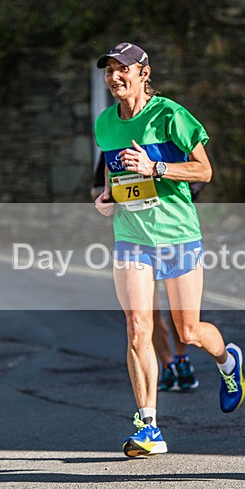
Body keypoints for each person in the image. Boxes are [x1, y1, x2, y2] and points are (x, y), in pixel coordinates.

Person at [93, 42, 245, 457]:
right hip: (131, 237)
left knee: (188, 332)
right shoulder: (105, 123)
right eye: (108, 71)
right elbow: (115, 175)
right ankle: (148, 426)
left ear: (144, 72)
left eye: (122, 69)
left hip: (178, 235)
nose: (114, 77)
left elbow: (205, 171)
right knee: (138, 327)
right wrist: (107, 199)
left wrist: (156, 167)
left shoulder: (171, 115)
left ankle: (227, 361)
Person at [92, 154, 200, 393]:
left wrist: (164, 175)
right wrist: (106, 200)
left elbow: (198, 174)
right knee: (147, 313)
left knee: (179, 311)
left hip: (173, 233)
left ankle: (182, 359)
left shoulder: (166, 135)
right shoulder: (112, 142)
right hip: (136, 237)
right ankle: (167, 364)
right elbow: (99, 189)